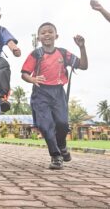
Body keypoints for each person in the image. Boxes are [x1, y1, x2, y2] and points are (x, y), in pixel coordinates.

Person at [21, 22, 88, 170]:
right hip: (40, 93)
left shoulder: (63, 53)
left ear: (56, 36)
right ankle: (56, 156)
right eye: (43, 32)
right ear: (38, 37)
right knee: (46, 126)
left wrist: (82, 47)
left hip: (58, 93)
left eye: (50, 32)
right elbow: (24, 73)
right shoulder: (36, 54)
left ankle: (62, 146)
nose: (47, 34)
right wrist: (32, 79)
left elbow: (83, 65)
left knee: (63, 124)